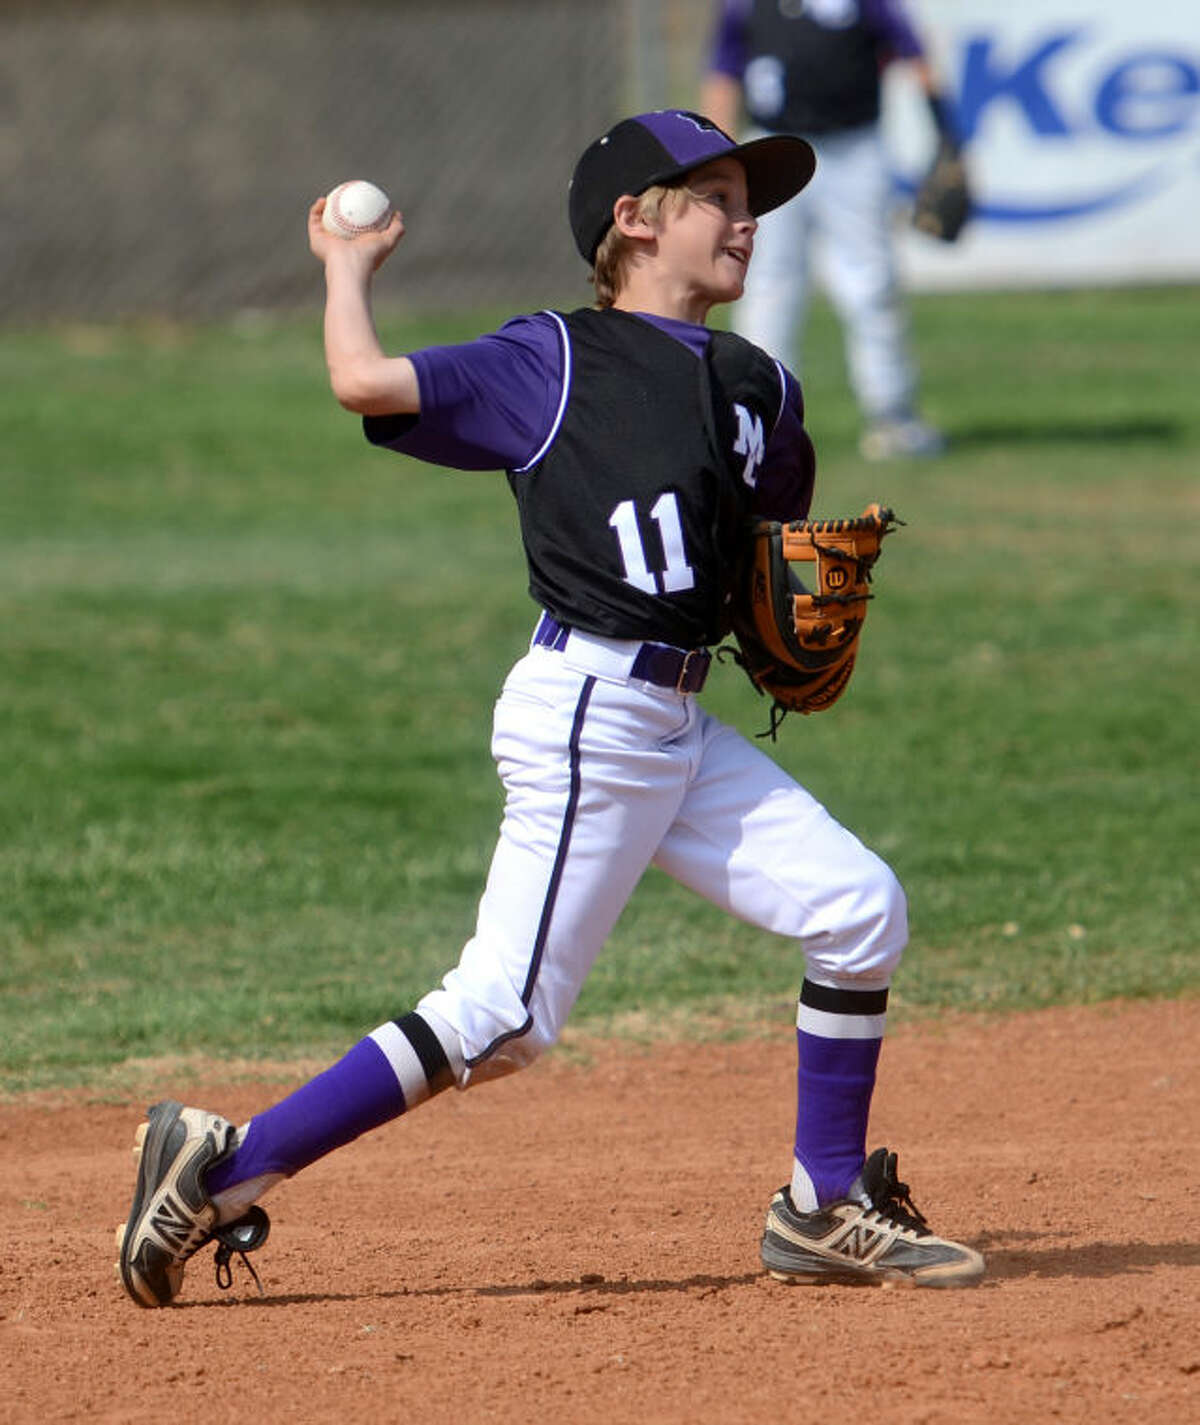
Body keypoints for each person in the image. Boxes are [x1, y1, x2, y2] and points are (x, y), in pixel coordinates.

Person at [115, 109, 983, 1308]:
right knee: (506, 1014)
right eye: (716, 197)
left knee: (857, 908)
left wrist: (767, 613)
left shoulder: (759, 387)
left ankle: (823, 1204)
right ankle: (220, 1169)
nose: (746, 221)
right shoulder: (554, 359)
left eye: (752, 202)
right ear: (634, 219)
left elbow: (752, 553)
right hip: (589, 712)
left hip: (678, 725)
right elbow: (363, 381)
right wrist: (346, 269)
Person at [701, 0, 960, 461]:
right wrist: (715, 162)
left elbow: (913, 53)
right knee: (765, 286)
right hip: (772, 149)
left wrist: (946, 135)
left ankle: (893, 415)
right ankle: (763, 422)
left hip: (853, 151)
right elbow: (724, 75)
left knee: (871, 284)